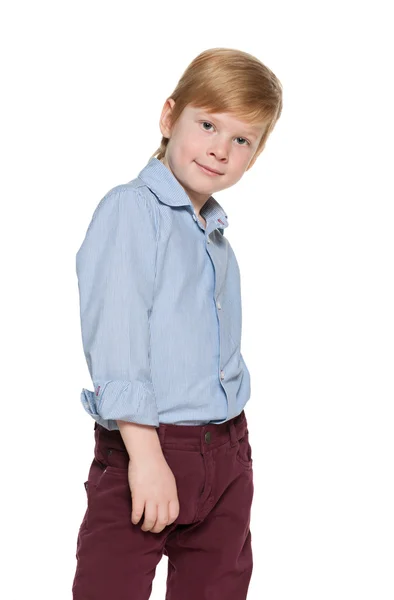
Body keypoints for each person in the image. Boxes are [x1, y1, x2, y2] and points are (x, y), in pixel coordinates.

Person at [72, 47, 282, 600]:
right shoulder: (131, 210)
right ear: (169, 118)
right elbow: (117, 341)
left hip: (228, 450)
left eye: (242, 140)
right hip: (152, 447)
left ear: (254, 157)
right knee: (109, 588)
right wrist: (144, 456)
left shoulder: (217, 240)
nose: (220, 149)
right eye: (208, 124)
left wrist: (232, 459)